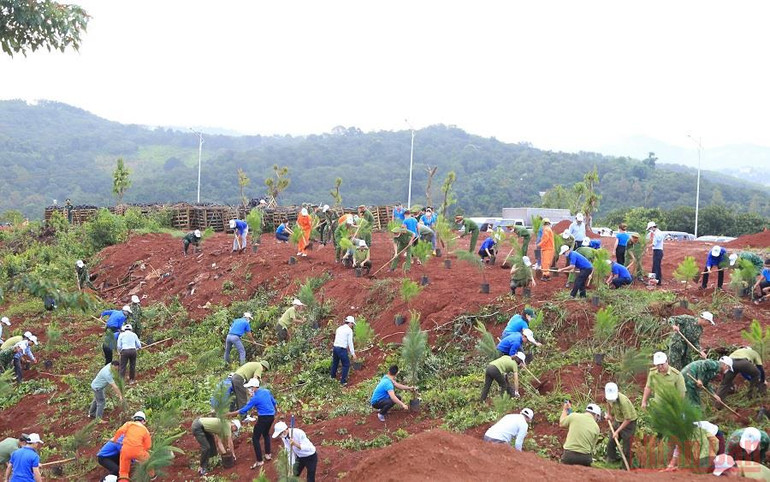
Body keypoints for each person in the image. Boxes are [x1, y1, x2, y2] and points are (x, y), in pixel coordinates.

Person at [228, 378, 276, 469]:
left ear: (254, 387)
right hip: (271, 416)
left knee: (255, 438)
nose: (249, 389)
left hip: (263, 418)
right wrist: (274, 410)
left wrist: (230, 414)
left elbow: (244, 410)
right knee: (266, 434)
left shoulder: (255, 398)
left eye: (250, 388)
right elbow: (274, 402)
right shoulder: (266, 391)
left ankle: (259, 460)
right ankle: (268, 454)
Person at [112, 411, 152, 481]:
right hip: (138, 451)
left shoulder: (128, 424)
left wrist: (115, 440)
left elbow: (119, 431)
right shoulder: (145, 430)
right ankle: (152, 476)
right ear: (143, 421)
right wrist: (142, 453)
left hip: (125, 451)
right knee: (148, 460)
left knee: (123, 472)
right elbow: (148, 446)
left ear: (134, 419)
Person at [604, 382, 637, 465]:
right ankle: (612, 459)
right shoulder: (608, 396)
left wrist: (617, 431)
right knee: (611, 441)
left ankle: (625, 466)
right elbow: (607, 402)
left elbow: (628, 419)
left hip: (629, 423)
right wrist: (609, 414)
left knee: (626, 446)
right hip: (618, 420)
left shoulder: (623, 402)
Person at [559, 402, 601, 466]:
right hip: (585, 458)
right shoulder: (596, 427)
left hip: (569, 455)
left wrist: (565, 410)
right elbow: (592, 447)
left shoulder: (574, 416)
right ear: (596, 415)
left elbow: (562, 423)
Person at [331, 316, 357, 386]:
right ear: (350, 323)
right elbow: (350, 342)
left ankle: (332, 377)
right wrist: (353, 353)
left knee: (335, 363)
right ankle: (343, 381)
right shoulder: (349, 330)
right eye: (352, 324)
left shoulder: (339, 328)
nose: (352, 326)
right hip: (341, 349)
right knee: (346, 364)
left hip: (335, 348)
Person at [646, 221, 665, 285]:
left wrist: (646, 246)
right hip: (657, 251)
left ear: (652, 227)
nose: (650, 230)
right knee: (656, 266)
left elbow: (654, 243)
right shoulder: (658, 233)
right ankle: (656, 281)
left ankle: (655, 281)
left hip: (658, 251)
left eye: (650, 229)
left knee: (656, 267)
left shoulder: (657, 234)